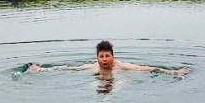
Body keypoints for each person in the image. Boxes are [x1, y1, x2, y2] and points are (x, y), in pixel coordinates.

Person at [26, 40, 189, 77]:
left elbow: (146, 68)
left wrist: (175, 72)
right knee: (100, 87)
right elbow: (68, 68)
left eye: (107, 56)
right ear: (97, 58)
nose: (104, 59)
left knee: (111, 89)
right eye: (101, 56)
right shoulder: (92, 67)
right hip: (99, 80)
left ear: (113, 56)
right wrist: (41, 69)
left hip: (118, 80)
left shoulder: (121, 66)